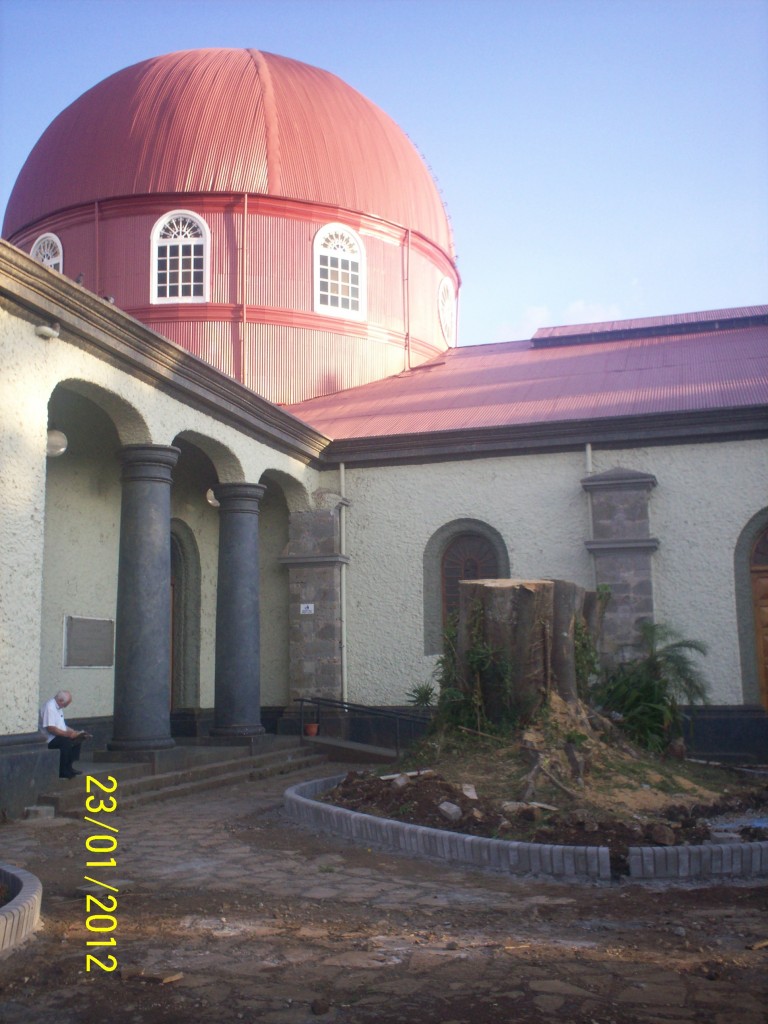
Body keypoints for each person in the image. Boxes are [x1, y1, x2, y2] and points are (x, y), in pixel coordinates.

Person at [39, 690, 91, 779]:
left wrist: (75, 732)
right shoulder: (50, 707)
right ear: (60, 701)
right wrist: (68, 735)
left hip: (56, 735)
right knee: (65, 742)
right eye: (66, 704)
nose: (65, 706)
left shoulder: (58, 707)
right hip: (48, 738)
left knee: (77, 739)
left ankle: (69, 766)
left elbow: (61, 725)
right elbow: (51, 728)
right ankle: (63, 770)